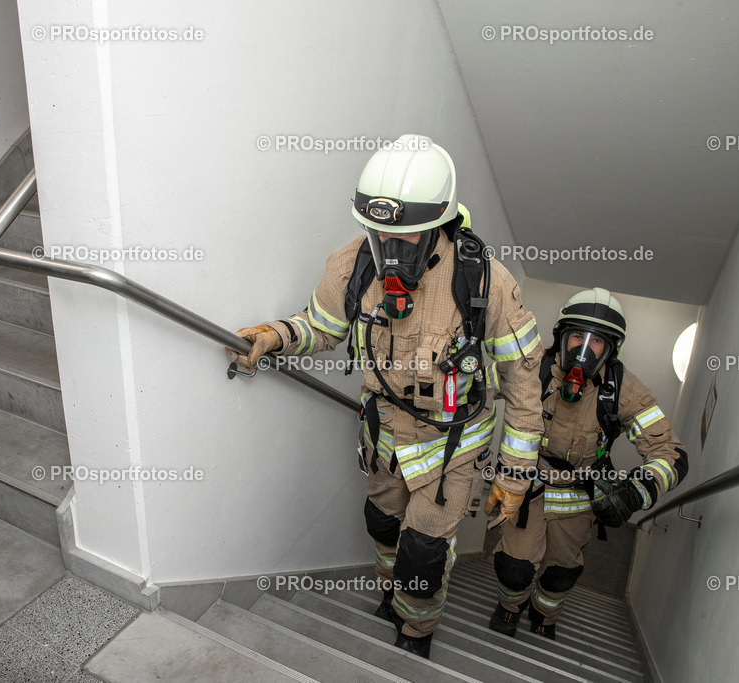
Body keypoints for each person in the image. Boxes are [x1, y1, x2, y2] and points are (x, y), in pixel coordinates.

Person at [229, 134, 544, 658]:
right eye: (380, 237)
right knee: (381, 525)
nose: (391, 254)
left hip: (450, 446)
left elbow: (525, 390)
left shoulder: (486, 282)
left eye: (407, 239)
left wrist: (513, 476)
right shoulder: (352, 265)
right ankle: (389, 593)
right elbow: (322, 327)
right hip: (385, 438)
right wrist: (276, 336)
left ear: (439, 225)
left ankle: (415, 631)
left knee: (422, 555)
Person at [488, 287, 689, 639]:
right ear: (561, 336)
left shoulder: (622, 390)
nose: (584, 349)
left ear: (610, 351)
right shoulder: (533, 369)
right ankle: (509, 608)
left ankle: (543, 616)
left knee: (561, 573)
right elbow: (477, 385)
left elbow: (670, 452)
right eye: (578, 335)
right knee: (514, 567)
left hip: (578, 496)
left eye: (596, 341)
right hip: (527, 486)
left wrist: (637, 491)